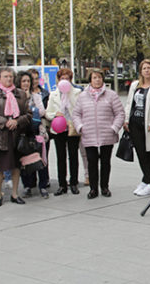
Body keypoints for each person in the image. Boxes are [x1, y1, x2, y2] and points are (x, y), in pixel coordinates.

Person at [71, 68, 124, 198]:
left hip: (107, 135)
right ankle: (93, 189)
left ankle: (104, 187)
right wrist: (80, 127)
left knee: (105, 162)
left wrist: (114, 128)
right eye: (94, 77)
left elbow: (120, 113)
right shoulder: (82, 96)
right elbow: (76, 114)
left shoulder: (111, 95)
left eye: (99, 77)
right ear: (90, 79)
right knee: (91, 162)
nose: (97, 80)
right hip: (88, 135)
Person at [0, 66, 30, 207]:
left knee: (16, 166)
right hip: (0, 135)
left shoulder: (20, 94)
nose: (8, 79)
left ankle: (15, 194)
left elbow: (28, 114)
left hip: (17, 135)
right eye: (5, 76)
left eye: (10, 76)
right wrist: (5, 122)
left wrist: (17, 121)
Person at [124, 59, 150, 196]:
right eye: (144, 68)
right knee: (140, 153)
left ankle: (149, 183)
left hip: (148, 124)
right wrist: (126, 120)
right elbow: (130, 102)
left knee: (148, 152)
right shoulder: (135, 85)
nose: (146, 70)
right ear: (140, 71)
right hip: (134, 122)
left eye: (149, 68)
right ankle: (146, 180)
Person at [45, 67, 83, 195]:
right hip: (58, 128)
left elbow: (79, 110)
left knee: (73, 156)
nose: (65, 81)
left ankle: (74, 183)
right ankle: (62, 184)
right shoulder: (53, 94)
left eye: (67, 79)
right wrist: (56, 114)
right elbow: (48, 113)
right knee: (60, 157)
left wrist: (69, 96)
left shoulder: (77, 92)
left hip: (72, 128)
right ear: (58, 80)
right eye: (62, 78)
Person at [18, 70, 50, 198]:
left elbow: (42, 111)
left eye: (28, 81)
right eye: (23, 81)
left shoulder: (36, 96)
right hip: (23, 132)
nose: (26, 83)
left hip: (37, 130)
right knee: (25, 160)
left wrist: (33, 107)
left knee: (41, 158)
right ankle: (28, 185)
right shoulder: (15, 96)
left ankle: (43, 185)